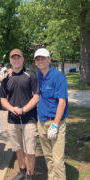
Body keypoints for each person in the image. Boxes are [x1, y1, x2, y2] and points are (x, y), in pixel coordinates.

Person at [0, 48, 39, 180]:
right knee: (18, 148)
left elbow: (36, 96)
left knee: (30, 150)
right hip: (12, 119)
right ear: (10, 60)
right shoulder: (6, 78)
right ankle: (22, 171)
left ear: (22, 59)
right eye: (13, 58)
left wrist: (24, 109)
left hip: (29, 119)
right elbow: (2, 98)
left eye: (18, 57)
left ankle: (30, 174)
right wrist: (11, 108)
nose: (16, 60)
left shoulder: (31, 74)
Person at [34, 48, 68, 180]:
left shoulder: (58, 76)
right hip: (42, 122)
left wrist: (55, 125)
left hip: (56, 122)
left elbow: (62, 102)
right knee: (48, 156)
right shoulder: (38, 76)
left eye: (43, 58)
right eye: (38, 59)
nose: (40, 61)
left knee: (58, 160)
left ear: (49, 59)